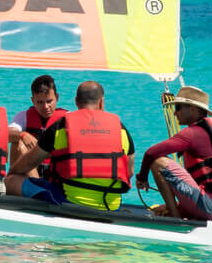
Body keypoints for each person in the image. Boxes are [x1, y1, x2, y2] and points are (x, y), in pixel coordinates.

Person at [9, 80, 134, 212]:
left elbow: (29, 162)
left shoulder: (62, 125)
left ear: (76, 101)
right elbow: (129, 171)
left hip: (70, 202)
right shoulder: (121, 129)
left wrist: (12, 171)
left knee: (11, 181)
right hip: (111, 206)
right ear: (102, 102)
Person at [137, 85, 212, 223]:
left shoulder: (192, 133)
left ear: (194, 109)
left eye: (178, 107)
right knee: (160, 209)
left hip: (207, 205)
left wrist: (142, 178)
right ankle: (173, 211)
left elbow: (151, 153)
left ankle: (174, 219)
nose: (174, 113)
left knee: (158, 162)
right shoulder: (209, 134)